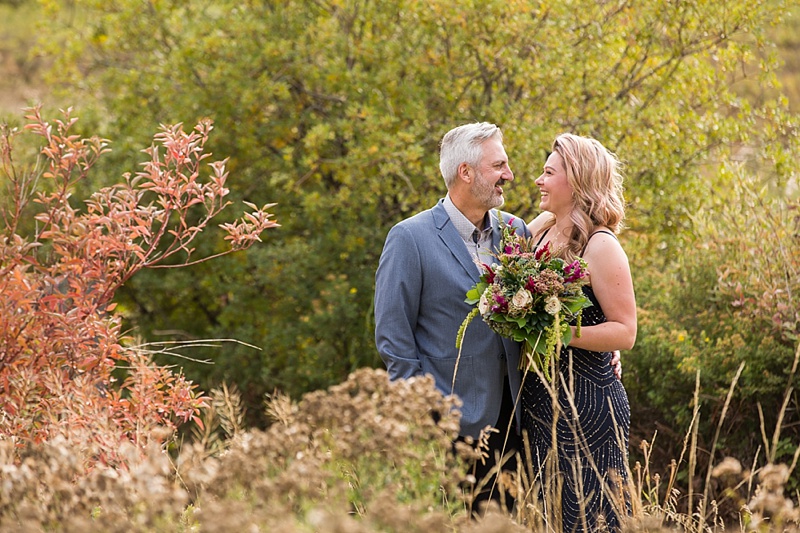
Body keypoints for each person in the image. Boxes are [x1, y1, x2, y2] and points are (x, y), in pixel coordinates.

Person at [374, 122, 528, 514]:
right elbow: (394, 339)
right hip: (448, 430)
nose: (508, 175)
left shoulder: (515, 231)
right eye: (499, 165)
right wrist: (429, 421)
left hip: (516, 426)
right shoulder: (409, 238)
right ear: (466, 172)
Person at [521, 133, 636, 532]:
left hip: (588, 403)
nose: (538, 180)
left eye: (548, 173)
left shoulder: (601, 246)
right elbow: (503, 243)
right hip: (541, 401)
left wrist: (559, 332)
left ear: (578, 181)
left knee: (591, 519)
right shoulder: (539, 233)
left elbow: (625, 331)